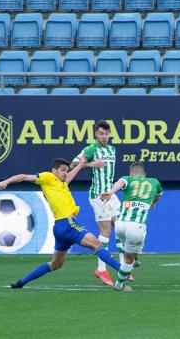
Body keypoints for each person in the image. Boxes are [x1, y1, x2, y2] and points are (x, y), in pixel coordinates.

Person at [0, 157, 121, 289]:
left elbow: (69, 178)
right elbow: (24, 177)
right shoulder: (48, 177)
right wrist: (7, 181)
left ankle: (21, 282)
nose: (65, 173)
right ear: (53, 171)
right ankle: (122, 270)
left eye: (66, 170)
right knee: (97, 244)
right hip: (68, 223)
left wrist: (80, 165)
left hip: (60, 228)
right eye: (62, 170)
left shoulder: (61, 183)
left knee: (55, 264)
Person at [71, 120, 123, 287]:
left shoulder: (112, 149)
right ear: (96, 134)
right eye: (101, 133)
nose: (104, 136)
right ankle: (101, 269)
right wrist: (92, 164)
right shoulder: (90, 149)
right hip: (98, 196)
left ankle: (124, 266)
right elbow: (73, 164)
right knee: (105, 230)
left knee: (120, 227)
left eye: (107, 134)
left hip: (111, 194)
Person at [100, 162, 163, 292]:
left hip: (119, 225)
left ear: (131, 173)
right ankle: (119, 285)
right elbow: (158, 195)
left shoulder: (127, 179)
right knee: (128, 259)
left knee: (129, 245)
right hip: (136, 226)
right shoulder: (154, 182)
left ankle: (133, 257)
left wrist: (111, 192)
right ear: (144, 174)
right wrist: (153, 202)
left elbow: (120, 183)